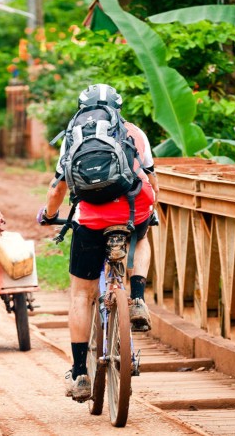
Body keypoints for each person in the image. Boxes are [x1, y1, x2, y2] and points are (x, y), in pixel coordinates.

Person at [37, 84, 159, 402]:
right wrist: (152, 208)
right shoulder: (135, 132)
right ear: (119, 107)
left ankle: (79, 373)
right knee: (144, 236)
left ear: (82, 108)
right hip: (134, 211)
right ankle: (136, 299)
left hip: (91, 220)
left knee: (81, 292)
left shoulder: (73, 136)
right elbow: (150, 176)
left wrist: (49, 215)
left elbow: (57, 190)